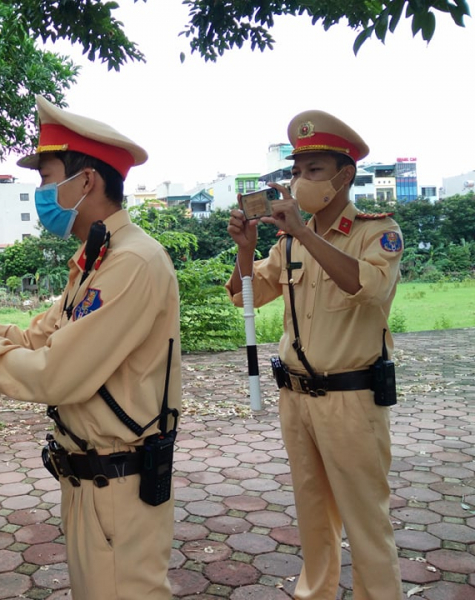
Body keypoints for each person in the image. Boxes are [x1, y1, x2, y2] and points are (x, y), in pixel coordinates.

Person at [0, 95, 182, 600]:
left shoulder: (133, 263)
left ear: (86, 182)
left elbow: (56, 374)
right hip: (90, 477)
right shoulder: (97, 260)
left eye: (46, 177)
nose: (39, 190)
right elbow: (38, 339)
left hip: (118, 481)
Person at [226, 110, 403, 599]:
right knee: (312, 516)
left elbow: (366, 287)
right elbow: (248, 295)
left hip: (353, 399)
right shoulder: (288, 241)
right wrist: (247, 250)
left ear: (345, 176)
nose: (301, 181)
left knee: (366, 521)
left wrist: (305, 233)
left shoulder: (377, 232)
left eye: (314, 171)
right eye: (296, 172)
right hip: (297, 399)